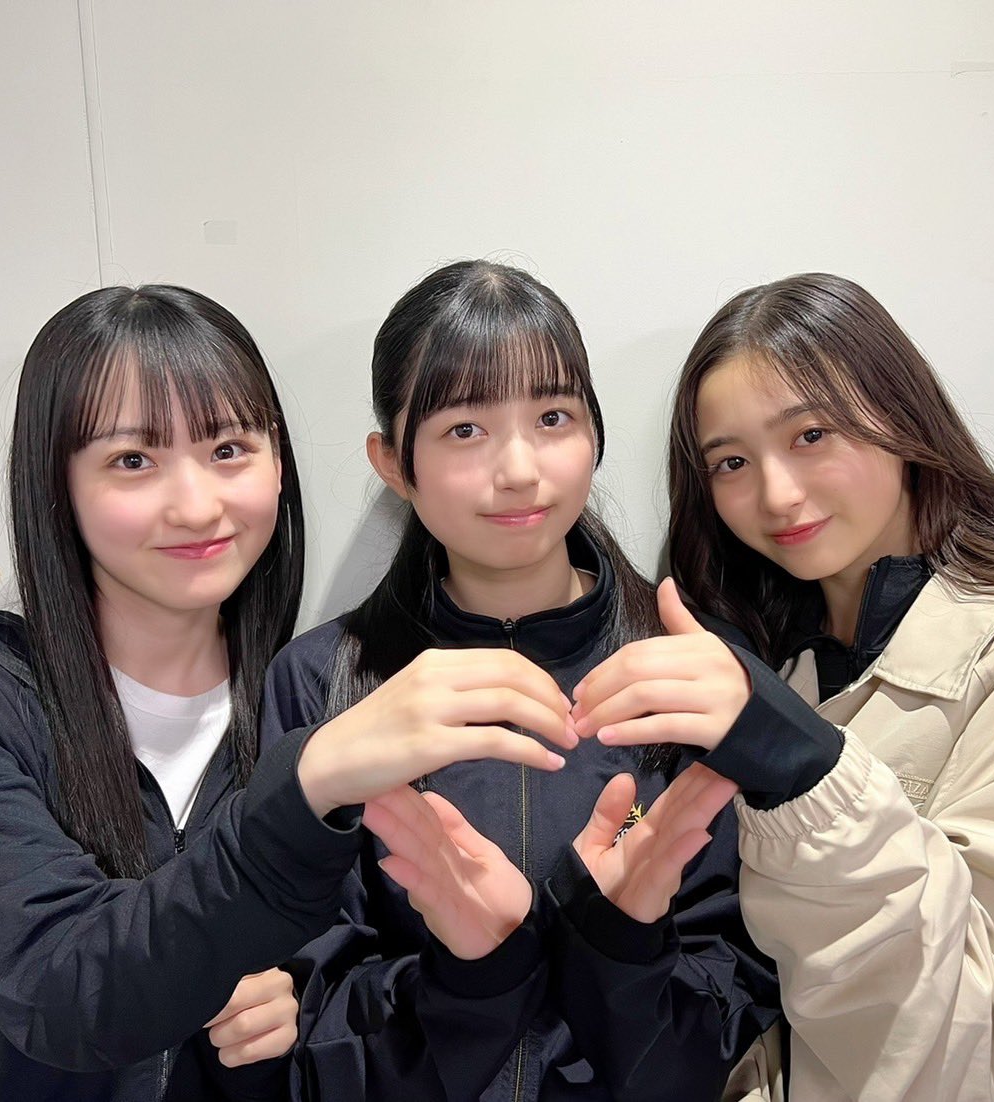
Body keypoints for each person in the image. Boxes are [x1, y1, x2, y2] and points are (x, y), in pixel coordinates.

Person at [0, 284, 571, 1102]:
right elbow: (67, 989)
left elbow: (357, 1030)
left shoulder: (306, 694)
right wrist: (306, 787)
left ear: (278, 465)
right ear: (55, 484)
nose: (197, 506)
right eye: (133, 461)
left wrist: (309, 1012)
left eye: (229, 449)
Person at [571, 272, 994, 1100]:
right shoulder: (784, 679)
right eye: (732, 462)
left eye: (811, 435)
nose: (777, 493)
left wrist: (805, 772)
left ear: (900, 418)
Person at [267, 260, 782, 1100]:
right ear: (393, 463)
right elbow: (310, 1014)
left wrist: (621, 945)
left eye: (552, 417)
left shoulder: (690, 671)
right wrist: (470, 973)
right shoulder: (322, 680)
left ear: (595, 434)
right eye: (465, 429)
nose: (518, 468)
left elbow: (726, 1023)